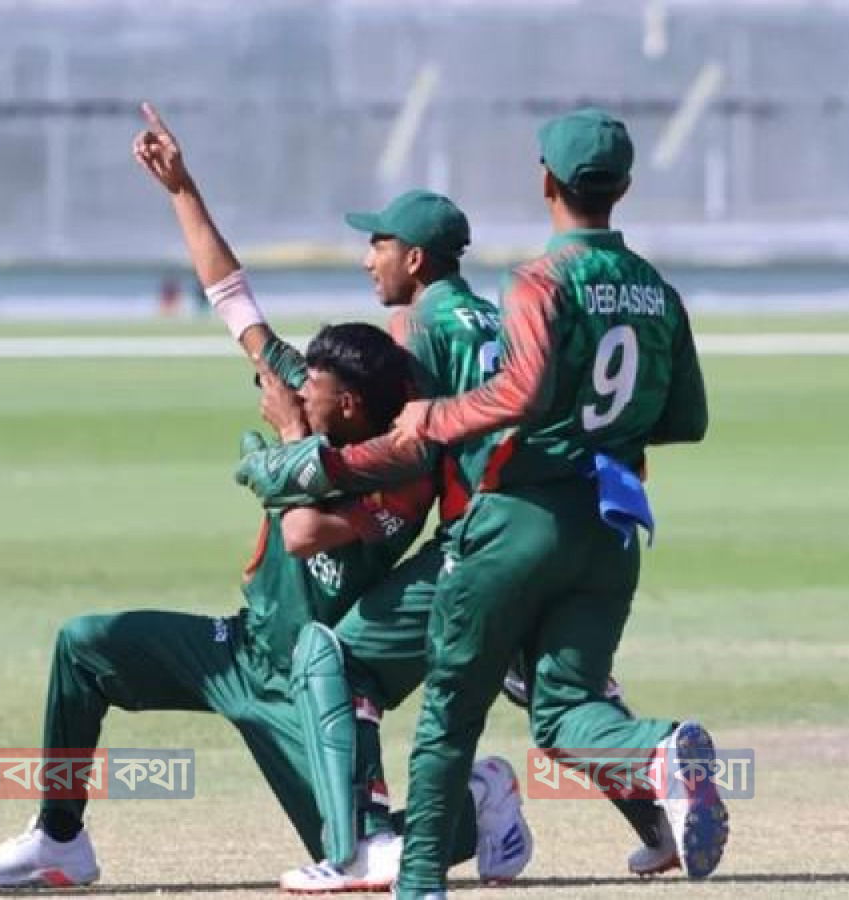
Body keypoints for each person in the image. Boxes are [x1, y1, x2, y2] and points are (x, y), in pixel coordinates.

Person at [240, 108, 724, 897]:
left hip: (514, 520)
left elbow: (514, 398)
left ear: (546, 182)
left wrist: (426, 421)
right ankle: (660, 754)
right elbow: (687, 419)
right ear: (626, 186)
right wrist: (603, 434)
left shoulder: (536, 282)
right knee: (562, 708)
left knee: (446, 714)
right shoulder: (658, 292)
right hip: (612, 522)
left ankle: (405, 873)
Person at [125, 103, 531, 893]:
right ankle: (471, 806)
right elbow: (233, 300)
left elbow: (304, 530)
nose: (367, 257)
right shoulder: (346, 382)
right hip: (281, 641)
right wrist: (181, 189)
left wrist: (285, 448)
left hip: (405, 591)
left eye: (378, 243)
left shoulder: (398, 458)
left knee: (342, 661)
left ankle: (380, 838)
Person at [0, 321, 438, 889]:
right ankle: (58, 837)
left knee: (353, 850)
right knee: (82, 647)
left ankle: (478, 808)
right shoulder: (320, 413)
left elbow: (301, 532)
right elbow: (242, 315)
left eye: (313, 388)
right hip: (239, 648)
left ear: (350, 403)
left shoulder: (393, 477)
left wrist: (289, 438)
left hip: (302, 692)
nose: (301, 393)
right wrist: (199, 251)